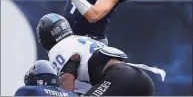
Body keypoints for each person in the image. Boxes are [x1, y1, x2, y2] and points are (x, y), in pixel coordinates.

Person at [36, 13, 166, 96]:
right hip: (142, 79)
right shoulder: (77, 40)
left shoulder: (59, 49)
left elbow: (67, 81)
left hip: (120, 79)